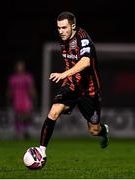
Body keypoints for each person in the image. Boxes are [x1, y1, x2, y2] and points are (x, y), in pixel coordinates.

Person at [35, 11, 109, 162]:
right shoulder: (63, 39)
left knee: (94, 130)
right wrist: (67, 77)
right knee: (54, 111)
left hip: (90, 89)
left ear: (73, 26)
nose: (61, 31)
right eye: (58, 28)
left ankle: (104, 131)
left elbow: (85, 62)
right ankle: (41, 152)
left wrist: (63, 74)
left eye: (64, 28)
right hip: (71, 85)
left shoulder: (83, 39)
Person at [7, 60, 37, 139]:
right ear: (16, 67)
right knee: (17, 116)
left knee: (27, 116)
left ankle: (25, 131)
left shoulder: (27, 77)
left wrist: (34, 96)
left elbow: (31, 88)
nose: (20, 68)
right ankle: (18, 133)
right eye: (18, 66)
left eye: (21, 66)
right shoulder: (13, 78)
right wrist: (9, 97)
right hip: (17, 98)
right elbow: (10, 89)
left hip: (25, 98)